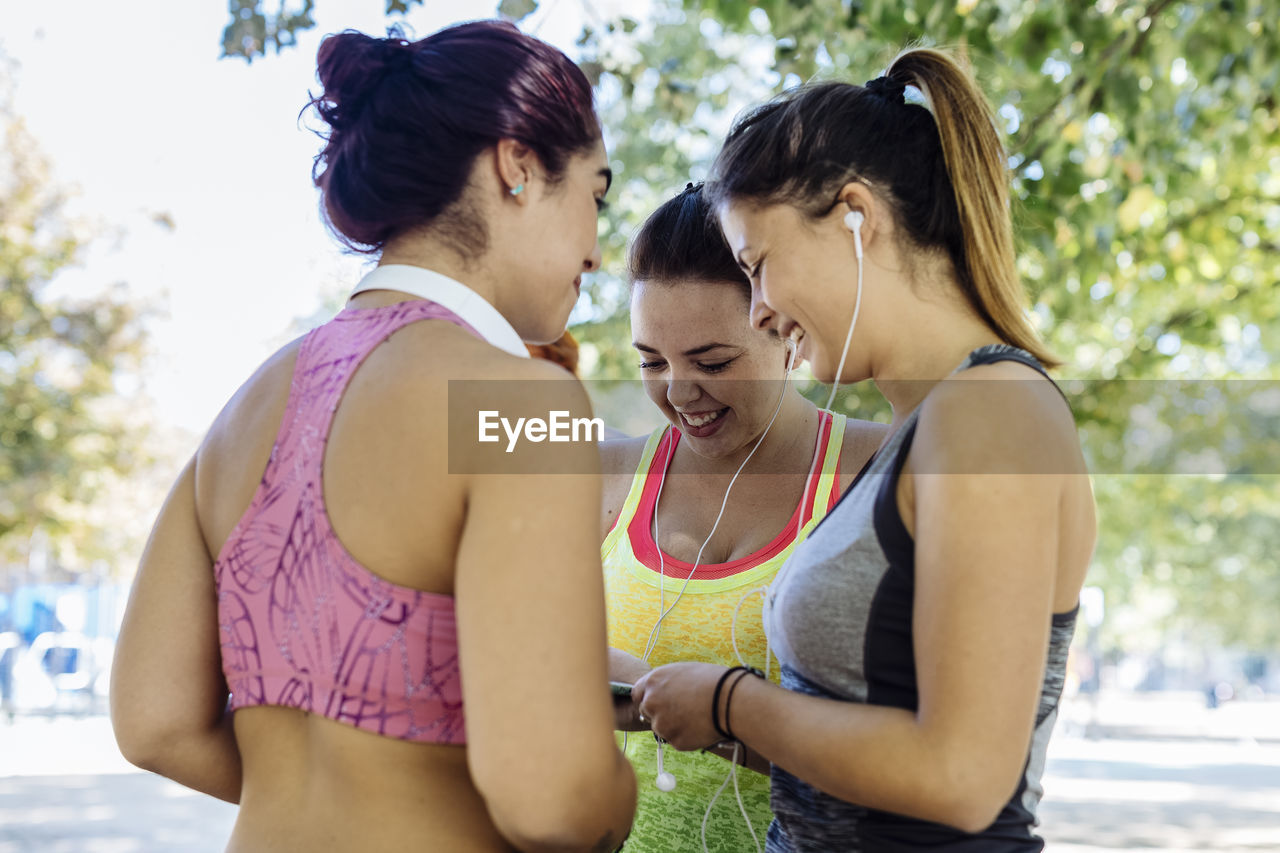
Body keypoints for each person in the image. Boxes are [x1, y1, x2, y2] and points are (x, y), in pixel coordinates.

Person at [110, 22, 635, 852]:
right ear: (518, 166)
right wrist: (613, 790)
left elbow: (155, 722)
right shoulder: (525, 403)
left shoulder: (244, 411)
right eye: (595, 195)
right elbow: (555, 801)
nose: (597, 250)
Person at [632, 49, 1096, 851]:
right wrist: (676, 702)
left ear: (856, 215)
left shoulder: (992, 415)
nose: (762, 310)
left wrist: (729, 702)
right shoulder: (924, 428)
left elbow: (962, 777)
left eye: (760, 266)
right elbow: (867, 759)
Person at [601, 183, 886, 851]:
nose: (677, 389)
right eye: (651, 360)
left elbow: (909, 752)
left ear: (786, 329)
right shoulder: (606, 476)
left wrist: (723, 714)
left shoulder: (880, 472)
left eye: (712, 360)